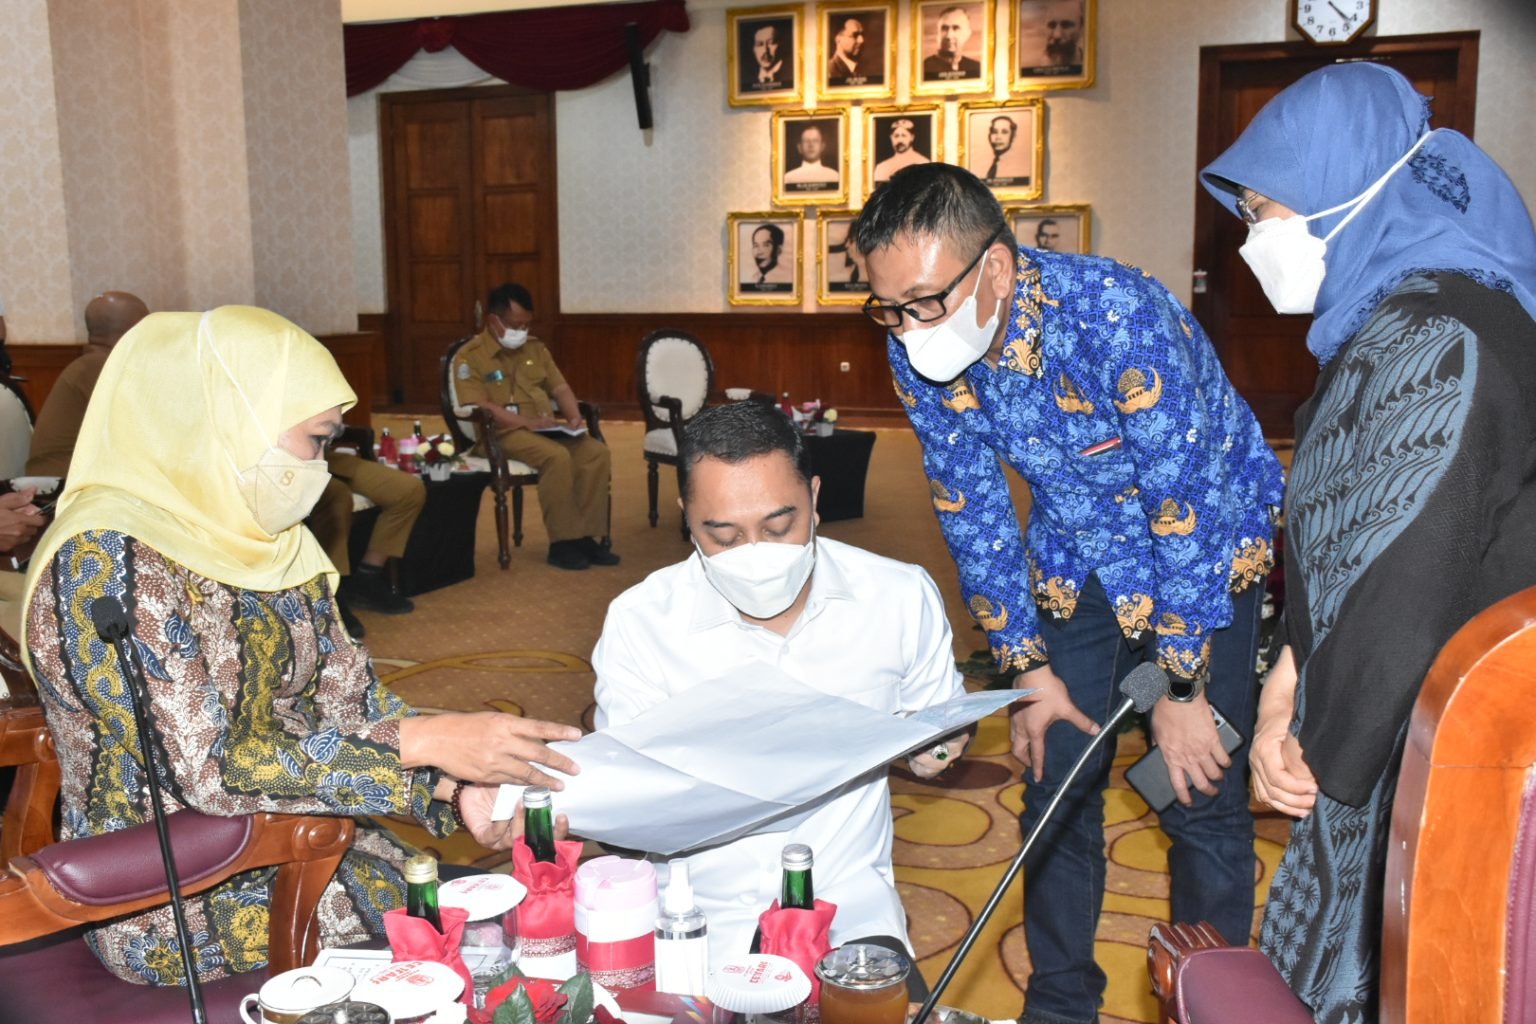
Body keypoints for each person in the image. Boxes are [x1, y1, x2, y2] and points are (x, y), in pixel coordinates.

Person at [20, 305, 583, 987]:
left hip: (313, 841)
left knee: (520, 932)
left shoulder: (272, 538)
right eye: (313, 442)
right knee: (484, 952)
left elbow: (351, 702)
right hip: (175, 891)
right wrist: (425, 743)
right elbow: (208, 770)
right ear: (226, 420)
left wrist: (451, 787)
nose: (319, 468)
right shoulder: (106, 563)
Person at [851, 163, 1284, 1024]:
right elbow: (970, 507)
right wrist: (1027, 666)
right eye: (888, 308)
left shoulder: (1120, 315)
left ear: (997, 267)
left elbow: (1184, 504)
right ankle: (1059, 1005)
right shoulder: (918, 347)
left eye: (925, 303)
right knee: (1054, 780)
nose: (908, 329)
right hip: (1079, 549)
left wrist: (1182, 689)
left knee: (1197, 789)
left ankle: (1207, 1004)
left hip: (1204, 546)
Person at [1200, 62, 1536, 1023]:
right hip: (1409, 719)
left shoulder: (1434, 334)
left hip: (1420, 748)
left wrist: (1312, 743)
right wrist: (1283, 679)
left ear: (1343, 188)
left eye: (1264, 209)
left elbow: (1404, 585)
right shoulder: (1413, 308)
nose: (1254, 237)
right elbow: (1347, 545)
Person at [592, 400, 968, 990]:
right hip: (695, 918)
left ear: (814, 498)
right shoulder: (642, 620)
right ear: (687, 518)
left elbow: (937, 722)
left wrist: (936, 748)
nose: (755, 554)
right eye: (723, 535)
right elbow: (626, 804)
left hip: (847, 912)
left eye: (778, 528)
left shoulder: (897, 596)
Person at [450, 283, 616, 571]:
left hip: (545, 430)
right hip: (501, 434)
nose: (522, 331)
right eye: (516, 325)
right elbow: (481, 406)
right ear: (494, 320)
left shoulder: (536, 349)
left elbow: (560, 387)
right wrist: (528, 423)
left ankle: (586, 537)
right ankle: (563, 543)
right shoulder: (470, 356)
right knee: (556, 457)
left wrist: (573, 417)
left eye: (526, 325)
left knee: (595, 453)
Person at [26, 291, 149, 477]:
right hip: (62, 484)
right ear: (134, 329)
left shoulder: (93, 364)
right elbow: (144, 431)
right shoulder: (99, 367)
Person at [306, 451, 425, 636]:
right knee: (337, 496)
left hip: (325, 456)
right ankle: (332, 594)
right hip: (285, 463)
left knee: (409, 490)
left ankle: (366, 579)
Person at [921, 6, 981, 82]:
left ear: (968, 33)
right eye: (944, 28)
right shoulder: (923, 68)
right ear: (937, 33)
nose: (949, 35)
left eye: (956, 28)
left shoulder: (977, 68)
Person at [1023, 0, 1084, 72]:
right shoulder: (1029, 69)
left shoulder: (1088, 66)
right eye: (1051, 25)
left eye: (1066, 25)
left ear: (1081, 26)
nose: (1057, 35)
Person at [872, 118, 930, 183]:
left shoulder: (923, 164)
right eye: (896, 136)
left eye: (904, 135)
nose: (900, 140)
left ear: (912, 137)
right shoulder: (882, 167)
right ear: (891, 138)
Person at [978, 115, 1031, 186]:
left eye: (1004, 132)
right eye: (994, 132)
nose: (998, 137)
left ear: (1013, 136)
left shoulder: (1021, 167)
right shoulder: (982, 164)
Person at [784, 124, 839, 188]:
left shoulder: (834, 176)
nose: (811, 145)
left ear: (822, 146)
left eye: (815, 141)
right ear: (799, 148)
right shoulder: (788, 178)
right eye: (806, 141)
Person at [826, 16, 875, 86]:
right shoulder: (828, 71)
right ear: (838, 39)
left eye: (862, 35)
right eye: (855, 35)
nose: (861, 40)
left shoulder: (863, 70)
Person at [746, 224, 794, 289]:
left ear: (778, 250)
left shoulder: (786, 280)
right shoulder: (753, 278)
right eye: (756, 246)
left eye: (766, 245)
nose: (759, 252)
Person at [743, 22, 789, 91]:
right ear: (753, 49)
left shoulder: (790, 75)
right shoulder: (746, 78)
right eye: (759, 44)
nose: (765, 50)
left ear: (781, 44)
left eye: (771, 43)